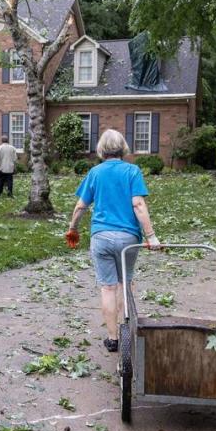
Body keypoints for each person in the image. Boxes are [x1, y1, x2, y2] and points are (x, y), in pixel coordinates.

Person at [64, 129, 161, 352]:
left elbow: (81, 206)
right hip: (128, 238)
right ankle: (128, 329)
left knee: (107, 287)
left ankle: (113, 338)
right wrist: (151, 236)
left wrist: (72, 229)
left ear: (101, 149)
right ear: (123, 147)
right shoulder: (132, 171)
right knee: (125, 284)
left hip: (101, 237)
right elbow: (138, 205)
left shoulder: (95, 172)